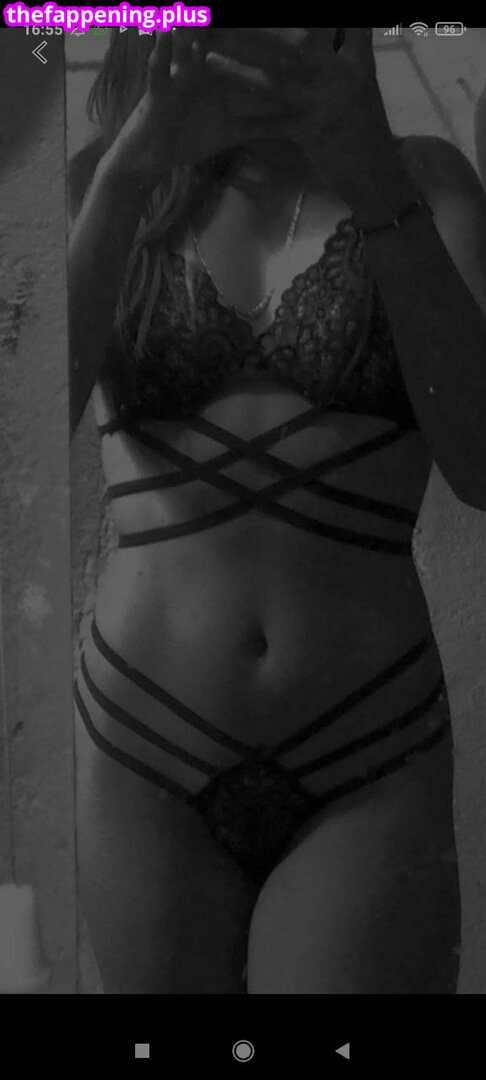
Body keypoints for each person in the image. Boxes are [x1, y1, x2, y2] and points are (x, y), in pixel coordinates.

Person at [69, 28, 486, 994]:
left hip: (368, 750)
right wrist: (132, 168)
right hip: (141, 749)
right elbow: (22, 432)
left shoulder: (427, 180)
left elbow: (480, 463)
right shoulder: (103, 176)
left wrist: (374, 179)